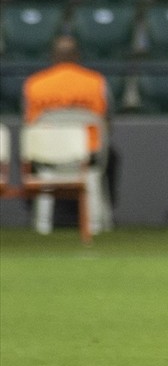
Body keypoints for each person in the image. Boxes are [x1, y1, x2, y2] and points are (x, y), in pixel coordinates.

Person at [23, 34, 114, 235]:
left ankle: (39, 220)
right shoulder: (96, 82)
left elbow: (28, 125)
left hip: (46, 156)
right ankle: (101, 219)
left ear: (53, 56)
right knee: (113, 156)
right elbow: (107, 123)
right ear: (77, 56)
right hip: (88, 156)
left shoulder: (35, 84)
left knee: (25, 153)